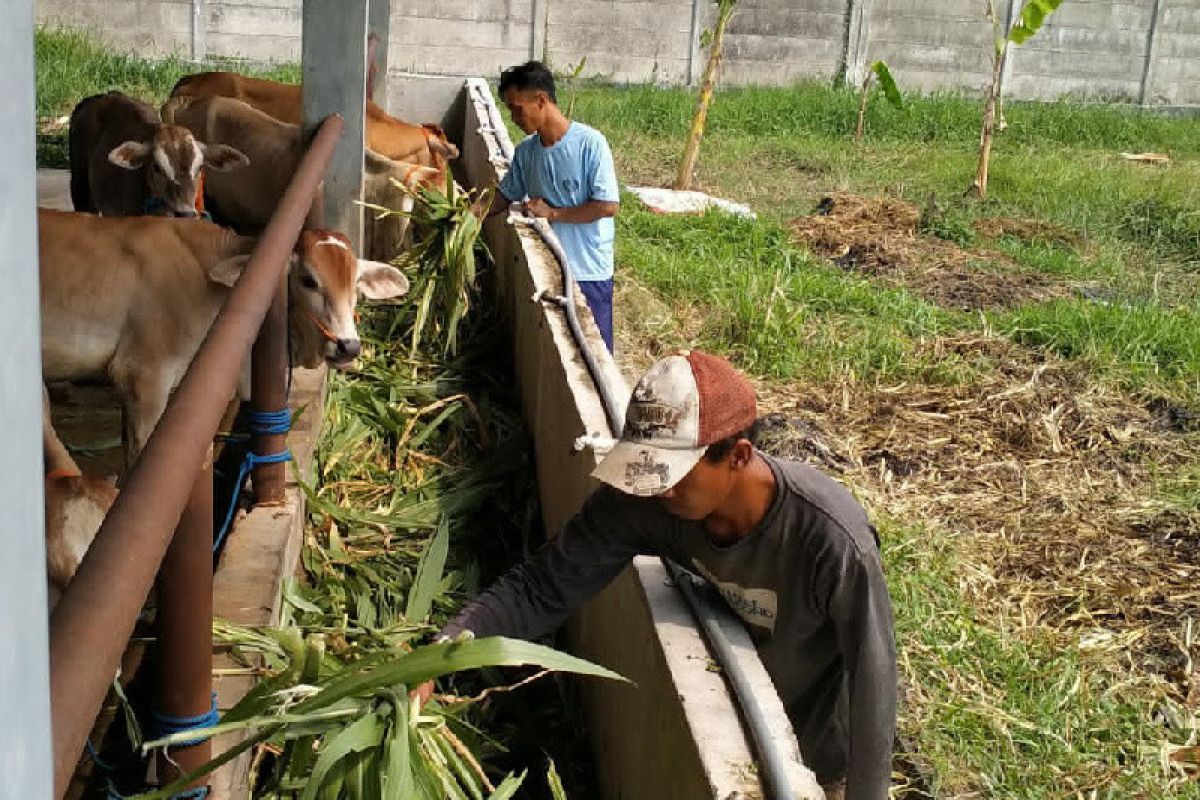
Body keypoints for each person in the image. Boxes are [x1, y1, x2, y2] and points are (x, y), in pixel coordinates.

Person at [426, 350, 897, 799]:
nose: (655, 487)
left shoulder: (831, 540)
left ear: (737, 456)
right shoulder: (650, 502)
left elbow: (874, 683)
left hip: (819, 754)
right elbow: (543, 586)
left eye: (671, 471)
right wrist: (439, 656)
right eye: (645, 466)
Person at [493, 61, 620, 353]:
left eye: (517, 108)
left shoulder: (590, 144)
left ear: (541, 100)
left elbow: (608, 205)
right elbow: (503, 195)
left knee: (594, 356)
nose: (513, 117)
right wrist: (466, 216)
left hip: (588, 272)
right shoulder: (527, 151)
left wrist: (553, 214)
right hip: (549, 270)